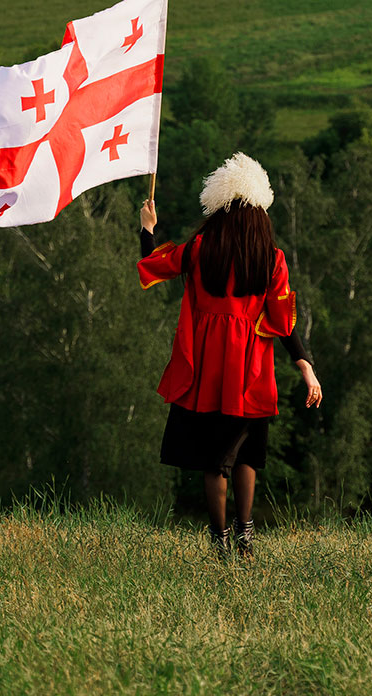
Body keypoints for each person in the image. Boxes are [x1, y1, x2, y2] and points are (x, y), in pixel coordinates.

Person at [136, 151, 322, 560]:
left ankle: (220, 541)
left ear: (219, 211)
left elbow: (153, 265)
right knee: (247, 457)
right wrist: (305, 367)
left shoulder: (200, 249)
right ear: (260, 214)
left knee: (213, 461)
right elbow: (284, 320)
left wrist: (148, 228)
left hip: (206, 370)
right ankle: (246, 533)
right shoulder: (271, 260)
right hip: (251, 372)